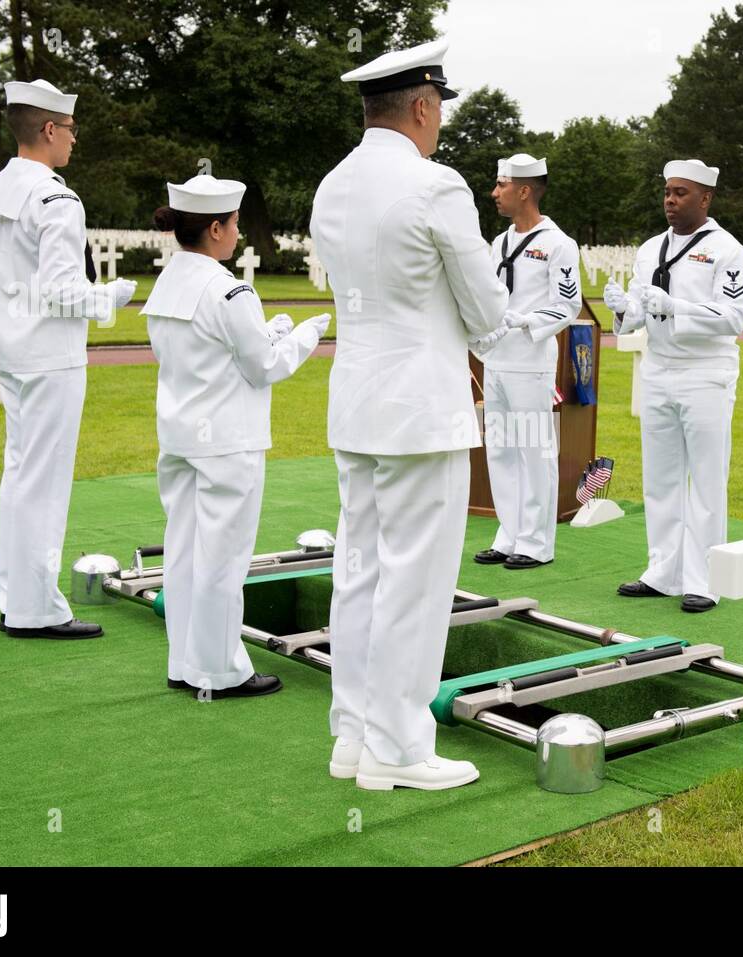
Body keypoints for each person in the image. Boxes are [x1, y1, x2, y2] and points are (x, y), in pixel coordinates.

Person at [311, 37, 512, 790]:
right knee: (415, 580)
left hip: (358, 401)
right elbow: (485, 306)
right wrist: (491, 340)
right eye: (438, 111)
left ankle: (354, 735)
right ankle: (398, 747)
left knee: (359, 569)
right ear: (423, 106)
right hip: (421, 408)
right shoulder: (437, 186)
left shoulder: (331, 185)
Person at [143, 174, 329, 698]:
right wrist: (302, 336)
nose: (238, 230)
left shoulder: (168, 281)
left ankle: (185, 662)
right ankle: (221, 671)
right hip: (228, 439)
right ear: (217, 228)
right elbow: (265, 367)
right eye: (234, 222)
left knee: (182, 552)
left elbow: (208, 352)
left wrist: (268, 331)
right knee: (222, 558)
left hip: (181, 434)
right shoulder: (229, 288)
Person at [0, 79, 135, 640]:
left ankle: (17, 599)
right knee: (44, 483)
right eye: (68, 129)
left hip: (12, 355)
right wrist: (107, 298)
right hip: (52, 357)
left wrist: (13, 309)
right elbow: (64, 291)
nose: (73, 140)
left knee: (21, 476)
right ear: (47, 129)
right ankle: (36, 609)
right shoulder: (56, 197)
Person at [603, 159, 743, 613]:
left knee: (706, 478)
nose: (670, 200)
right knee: (661, 476)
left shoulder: (729, 252)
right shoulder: (650, 249)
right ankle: (663, 570)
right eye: (667, 191)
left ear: (705, 198)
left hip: (705, 372)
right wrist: (622, 310)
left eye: (681, 193)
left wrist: (676, 307)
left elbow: (733, 318)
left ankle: (704, 578)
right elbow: (639, 312)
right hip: (659, 368)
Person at [473, 152, 581, 571]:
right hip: (496, 360)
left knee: (534, 450)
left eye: (501, 185)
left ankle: (536, 542)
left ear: (524, 190)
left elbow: (567, 307)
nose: (494, 193)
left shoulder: (558, 243)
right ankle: (509, 534)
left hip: (531, 361)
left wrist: (525, 322)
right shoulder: (499, 242)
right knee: (499, 450)